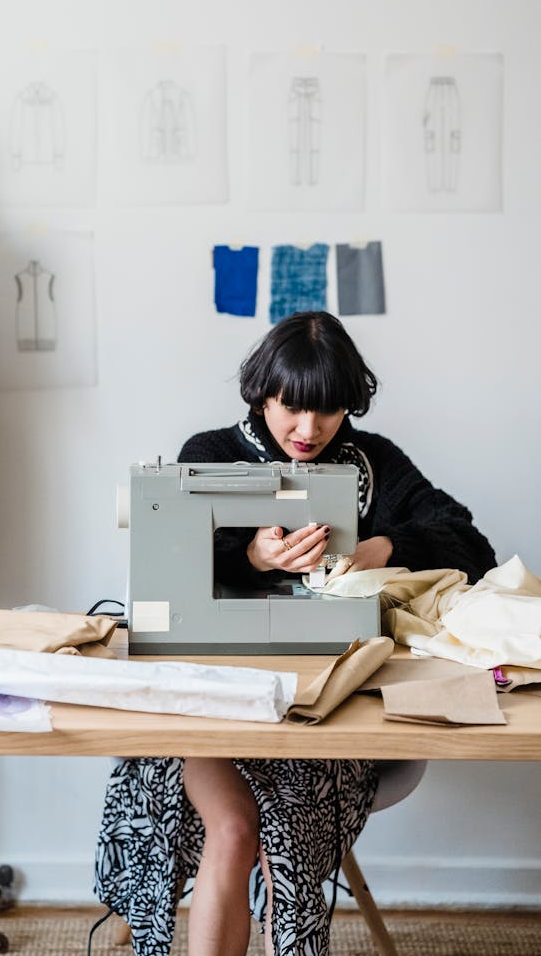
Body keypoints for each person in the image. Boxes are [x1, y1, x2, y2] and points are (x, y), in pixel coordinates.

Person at [95, 312, 496, 956]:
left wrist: (381, 546)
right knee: (231, 825)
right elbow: (168, 560)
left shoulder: (374, 465)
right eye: (292, 409)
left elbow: (472, 544)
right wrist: (252, 556)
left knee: (265, 822)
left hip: (327, 704)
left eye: (329, 412)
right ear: (262, 392)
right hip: (221, 692)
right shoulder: (211, 454)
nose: (308, 431)